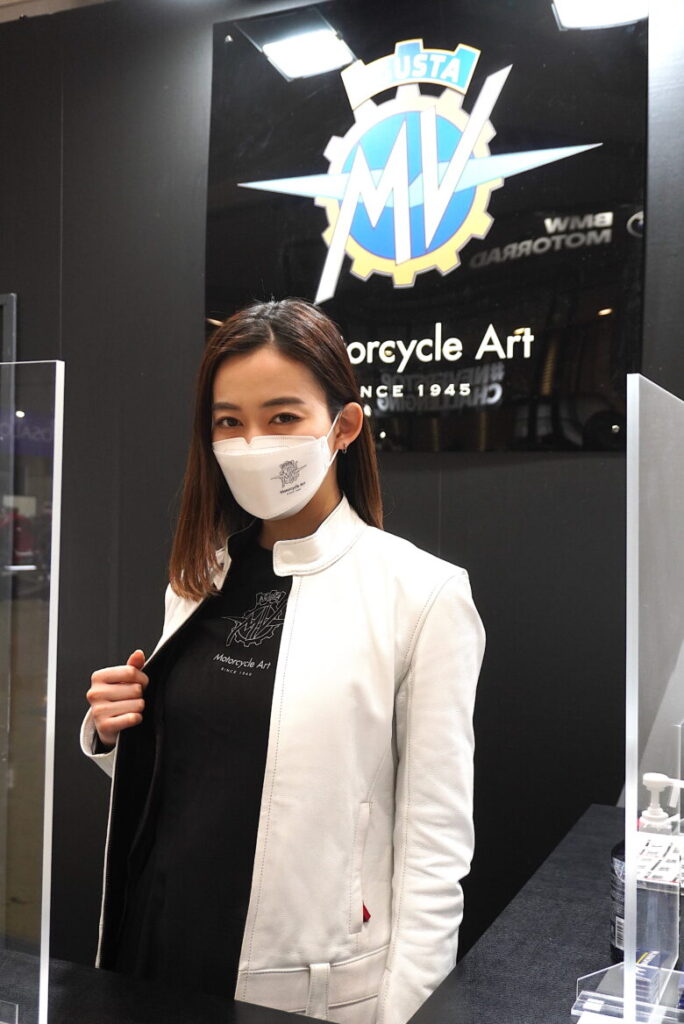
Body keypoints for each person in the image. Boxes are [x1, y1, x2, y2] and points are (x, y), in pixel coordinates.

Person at [80, 298, 486, 1024]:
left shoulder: (421, 595)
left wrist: (407, 1014)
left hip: (299, 978)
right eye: (228, 422)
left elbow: (435, 849)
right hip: (157, 942)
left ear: (344, 426)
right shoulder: (199, 575)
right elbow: (220, 768)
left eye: (282, 416)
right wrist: (119, 732)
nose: (252, 443)